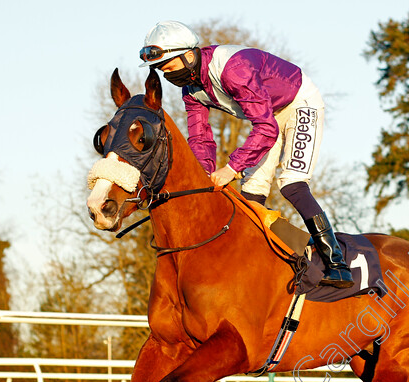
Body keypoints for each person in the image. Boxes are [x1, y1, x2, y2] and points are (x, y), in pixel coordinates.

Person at [138, 21, 354, 289]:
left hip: (298, 102)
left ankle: (337, 264)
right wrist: (204, 175)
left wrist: (230, 168)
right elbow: (200, 137)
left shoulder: (233, 70)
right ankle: (261, 264)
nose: (167, 75)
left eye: (169, 66)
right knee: (250, 193)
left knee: (291, 184)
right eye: (161, 70)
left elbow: (265, 128)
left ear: (189, 55)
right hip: (267, 115)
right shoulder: (191, 90)